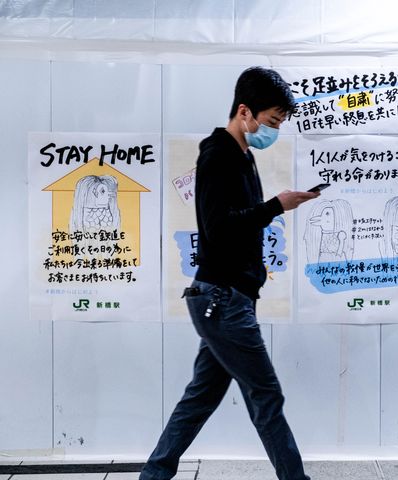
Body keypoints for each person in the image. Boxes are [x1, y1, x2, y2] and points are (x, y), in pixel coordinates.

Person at [139, 67, 318, 480]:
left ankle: (154, 474)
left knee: (200, 397)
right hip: (222, 301)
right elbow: (217, 227)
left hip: (224, 299)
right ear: (244, 111)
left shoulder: (243, 156)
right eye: (271, 121)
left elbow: (237, 223)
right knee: (266, 396)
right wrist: (277, 205)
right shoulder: (218, 154)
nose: (273, 130)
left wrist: (276, 206)